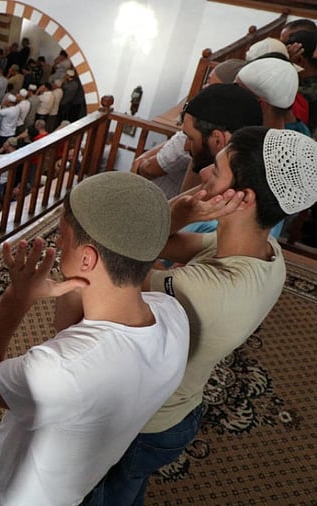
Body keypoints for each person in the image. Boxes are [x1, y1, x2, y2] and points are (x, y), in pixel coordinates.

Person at [90, 128, 317, 504]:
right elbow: (163, 242)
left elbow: (125, 259)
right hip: (181, 406)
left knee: (103, 491)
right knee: (129, 489)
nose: (206, 172)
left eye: (219, 168)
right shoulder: (264, 249)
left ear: (242, 197)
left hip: (146, 421)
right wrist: (180, 214)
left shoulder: (204, 290)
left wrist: (177, 211)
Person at [0, 172, 190, 505]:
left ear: (88, 258)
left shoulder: (58, 370)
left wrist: (19, 296)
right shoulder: (173, 315)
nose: (58, 246)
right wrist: (77, 287)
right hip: (81, 484)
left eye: (61, 237)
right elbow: (78, 337)